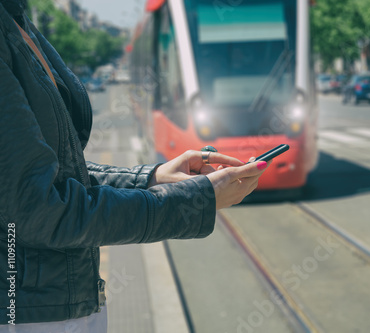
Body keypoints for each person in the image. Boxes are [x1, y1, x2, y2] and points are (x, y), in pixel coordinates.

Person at [0, 0, 269, 331]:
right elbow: (39, 210)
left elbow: (50, 176)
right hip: (26, 314)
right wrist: (192, 201)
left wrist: (153, 179)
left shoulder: (16, 17)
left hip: (55, 304)